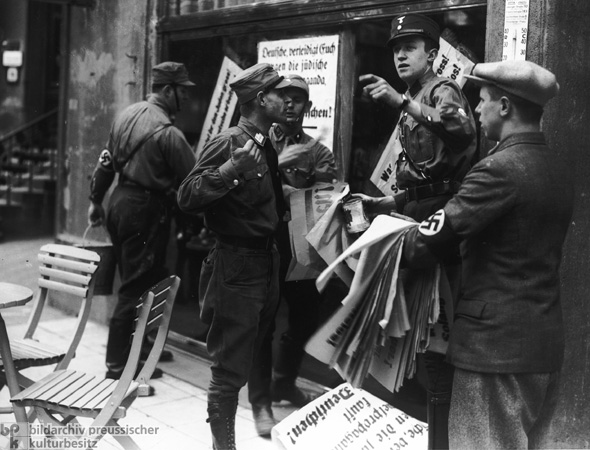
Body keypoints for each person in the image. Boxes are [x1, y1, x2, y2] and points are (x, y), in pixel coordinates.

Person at [399, 59, 572, 449]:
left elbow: (429, 239)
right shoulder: (557, 169)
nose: (475, 110)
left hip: (494, 353)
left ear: (506, 107)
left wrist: (383, 239)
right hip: (542, 345)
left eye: (484, 100)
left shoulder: (497, 169)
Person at [355, 13, 477, 448]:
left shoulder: (440, 91)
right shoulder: (413, 97)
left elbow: (461, 134)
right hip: (421, 218)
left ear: (431, 53)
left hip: (448, 230)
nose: (400, 54)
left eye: (410, 47)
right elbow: (423, 179)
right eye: (395, 48)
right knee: (420, 339)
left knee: (440, 342)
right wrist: (386, 203)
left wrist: (399, 102)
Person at [177, 63, 290, 449]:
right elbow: (187, 195)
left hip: (264, 262)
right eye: (279, 93)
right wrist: (229, 169)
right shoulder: (229, 142)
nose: (286, 100)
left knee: (245, 357)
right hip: (237, 265)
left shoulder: (263, 140)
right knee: (227, 373)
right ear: (261, 99)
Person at [87, 62, 197, 388]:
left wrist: (96, 200)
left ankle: (143, 348)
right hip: (146, 210)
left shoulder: (126, 115)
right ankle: (117, 366)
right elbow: (194, 180)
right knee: (136, 287)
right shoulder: (168, 133)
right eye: (183, 91)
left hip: (119, 203)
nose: (187, 98)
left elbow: (106, 160)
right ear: (167, 90)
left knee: (149, 279)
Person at [266, 74, 337, 407]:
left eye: (298, 99)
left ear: (308, 107)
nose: (291, 104)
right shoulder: (259, 142)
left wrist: (284, 192)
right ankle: (257, 386)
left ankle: (282, 382)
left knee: (305, 316)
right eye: (285, 98)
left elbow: (324, 196)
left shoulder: (318, 151)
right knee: (261, 314)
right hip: (265, 242)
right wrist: (290, 192)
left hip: (301, 245)